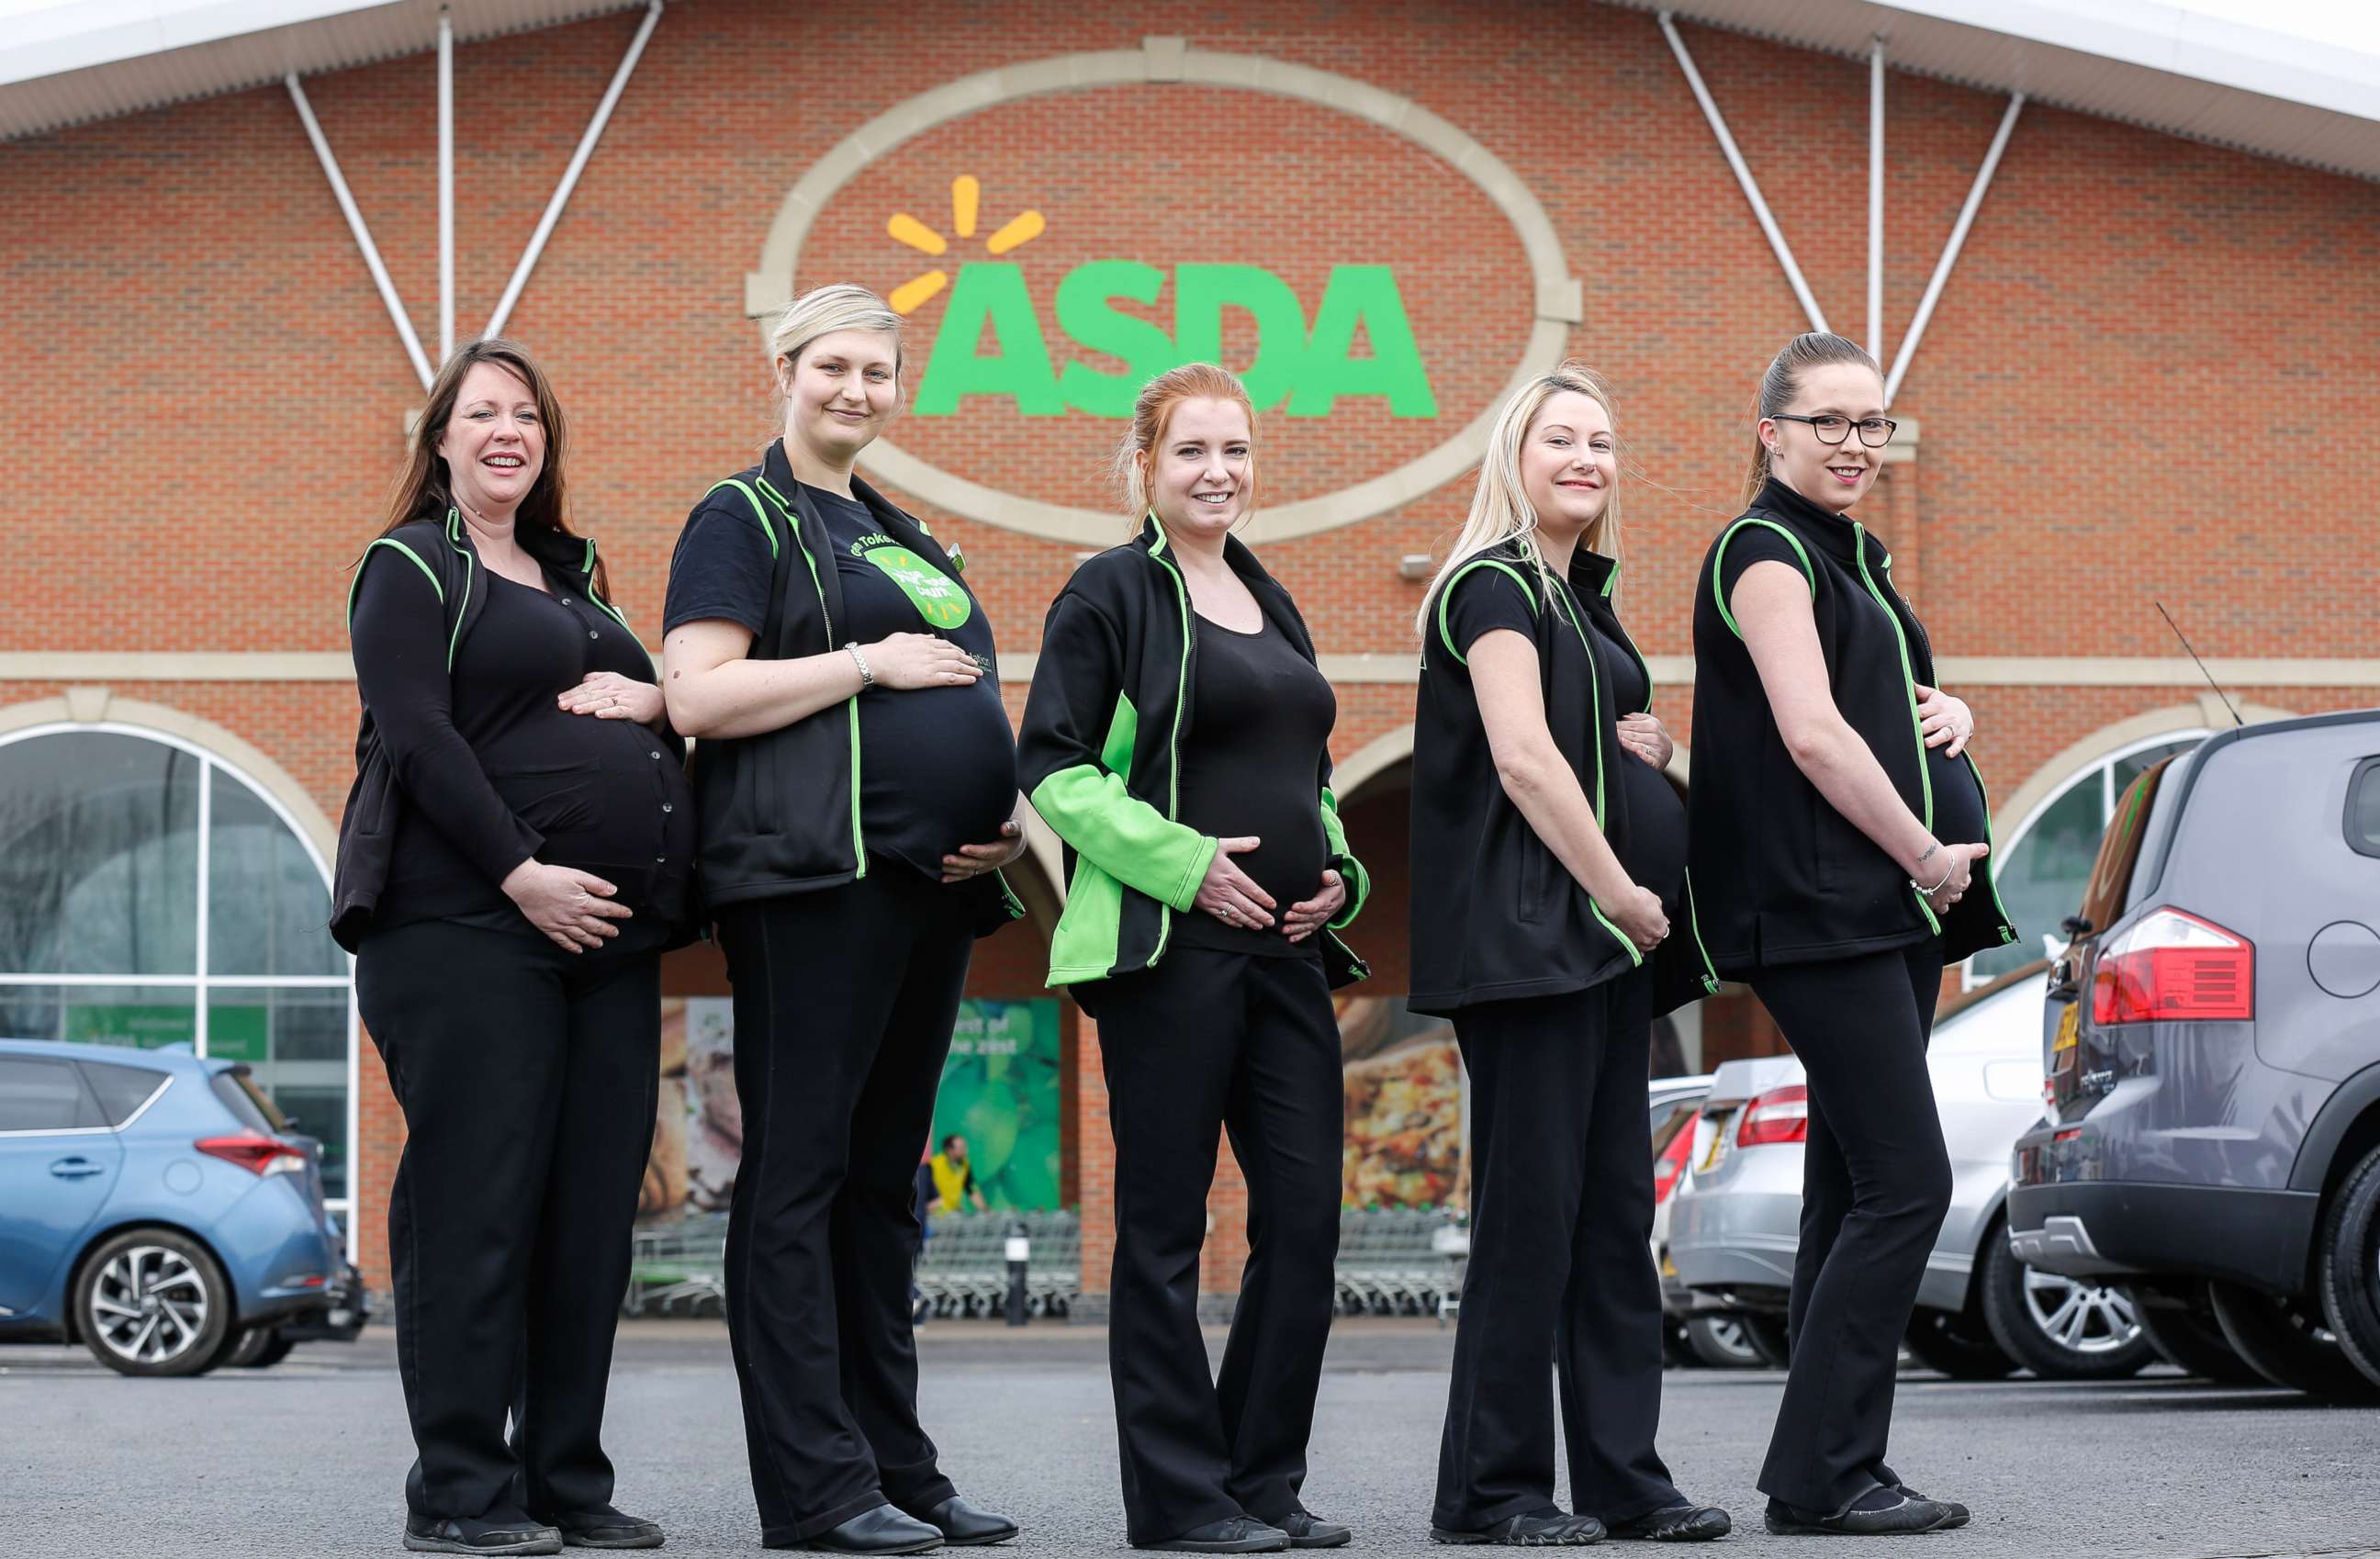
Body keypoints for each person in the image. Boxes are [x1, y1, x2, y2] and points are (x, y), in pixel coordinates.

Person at [662, 284, 1027, 1556]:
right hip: (809, 881)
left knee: (884, 1189)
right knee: (800, 1178)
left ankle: (896, 1465)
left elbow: (965, 691)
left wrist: (1006, 821)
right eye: (834, 365)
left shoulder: (904, 530)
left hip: (928, 889)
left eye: (878, 370)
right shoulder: (740, 515)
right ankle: (814, 1488)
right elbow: (697, 694)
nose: (856, 389)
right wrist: (870, 665)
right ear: (785, 366)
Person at [332, 338, 687, 1556]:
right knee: (477, 1206)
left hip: (609, 943)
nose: (507, 431)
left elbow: (655, 709)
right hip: (468, 924)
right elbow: (419, 735)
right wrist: (523, 871)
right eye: (482, 413)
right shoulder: (410, 565)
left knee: (590, 1214)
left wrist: (655, 701)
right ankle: (462, 1489)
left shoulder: (574, 582)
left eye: (527, 416)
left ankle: (564, 1477)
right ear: (439, 440)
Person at [1018, 364, 1370, 1555]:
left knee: (1306, 1217)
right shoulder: (1112, 591)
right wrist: (1179, 860)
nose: (1217, 470)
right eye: (1191, 451)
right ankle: (1179, 1499)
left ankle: (1260, 1477)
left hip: (1284, 952)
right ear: (1147, 465)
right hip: (1170, 951)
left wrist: (1339, 873)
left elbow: (1308, 772)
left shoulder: (1275, 602)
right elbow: (1053, 767)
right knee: (1165, 1228)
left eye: (1235, 449)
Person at [1689, 331, 2015, 1537]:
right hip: (1817, 907)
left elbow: (1872, 702)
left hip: (1875, 915)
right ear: (1770, 431)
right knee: (1907, 1182)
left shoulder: (1854, 556)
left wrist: (1948, 705)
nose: (1855, 444)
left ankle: (1829, 1467)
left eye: (1872, 423)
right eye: (1828, 421)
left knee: (1846, 1187)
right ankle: (1824, 1469)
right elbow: (1815, 735)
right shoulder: (1764, 548)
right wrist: (1924, 854)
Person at [1409, 364, 1728, 1548]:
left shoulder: (1580, 600)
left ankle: (1624, 1479)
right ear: (1514, 457)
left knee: (1610, 1222)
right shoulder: (1490, 587)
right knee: (1531, 1223)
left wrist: (1639, 736)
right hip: (1537, 945)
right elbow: (1524, 763)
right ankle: (1492, 1493)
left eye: (1602, 440)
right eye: (1560, 439)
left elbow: (1579, 740)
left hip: (1599, 953)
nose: (1586, 458)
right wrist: (1629, 894)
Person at [927, 1134, 991, 1216]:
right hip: (935, 1215)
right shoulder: (933, 1165)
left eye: (965, 1147)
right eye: (961, 1148)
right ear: (949, 1150)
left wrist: (986, 1210)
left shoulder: (965, 1165)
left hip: (954, 1213)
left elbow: (972, 1191)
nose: (966, 1151)